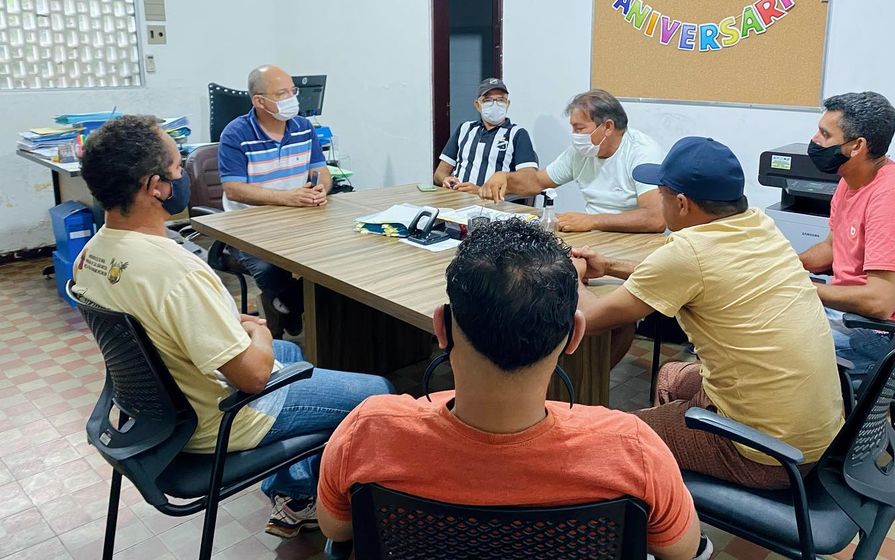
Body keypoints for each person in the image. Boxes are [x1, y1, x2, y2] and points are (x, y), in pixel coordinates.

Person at [73, 115, 392, 538]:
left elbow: (164, 326)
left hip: (154, 413)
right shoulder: (177, 271)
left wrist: (222, 322)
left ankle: (293, 491)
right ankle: (347, 514)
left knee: (292, 353)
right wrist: (257, 329)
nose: (182, 171)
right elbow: (255, 376)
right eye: (177, 165)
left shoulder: (90, 257)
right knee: (381, 394)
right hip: (218, 419)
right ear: (156, 187)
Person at [317, 218, 709, 560]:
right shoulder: (632, 448)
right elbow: (683, 550)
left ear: (441, 327)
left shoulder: (368, 430)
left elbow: (336, 531)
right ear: (574, 335)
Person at [573, 137, 844, 489]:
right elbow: (680, 274)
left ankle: (670, 520)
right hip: (815, 436)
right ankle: (671, 485)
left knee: (615, 438)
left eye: (661, 193)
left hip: (766, 455)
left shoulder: (689, 251)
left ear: (682, 203)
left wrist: (573, 275)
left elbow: (592, 318)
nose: (658, 199)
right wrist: (608, 264)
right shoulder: (757, 224)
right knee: (670, 375)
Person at [800, 91, 895, 376]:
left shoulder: (892, 198)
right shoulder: (852, 179)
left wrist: (802, 289)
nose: (815, 140)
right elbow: (832, 248)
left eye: (825, 134)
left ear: (857, 147)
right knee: (764, 322)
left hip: (887, 338)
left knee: (770, 350)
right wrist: (783, 265)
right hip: (853, 318)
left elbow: (879, 303)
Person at [218, 65, 332, 338]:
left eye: (293, 91)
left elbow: (323, 171)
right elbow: (233, 189)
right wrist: (288, 198)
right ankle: (286, 311)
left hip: (298, 220)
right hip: (248, 227)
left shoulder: (304, 128)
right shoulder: (236, 134)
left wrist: (321, 189)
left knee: (332, 259)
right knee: (272, 270)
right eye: (282, 93)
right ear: (259, 101)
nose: (292, 98)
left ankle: (292, 307)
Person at [480, 89, 664, 232]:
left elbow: (656, 219)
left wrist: (593, 221)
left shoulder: (643, 153)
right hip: (596, 234)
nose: (574, 135)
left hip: (635, 240)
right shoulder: (580, 153)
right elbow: (537, 182)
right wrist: (505, 178)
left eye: (579, 128)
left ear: (607, 127)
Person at [433, 77, 539, 194]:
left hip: (493, 205)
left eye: (500, 100)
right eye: (488, 100)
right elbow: (439, 173)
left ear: (507, 104)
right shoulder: (465, 129)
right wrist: (446, 179)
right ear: (478, 105)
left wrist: (481, 191)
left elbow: (528, 180)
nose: (495, 105)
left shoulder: (517, 134)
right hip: (456, 199)